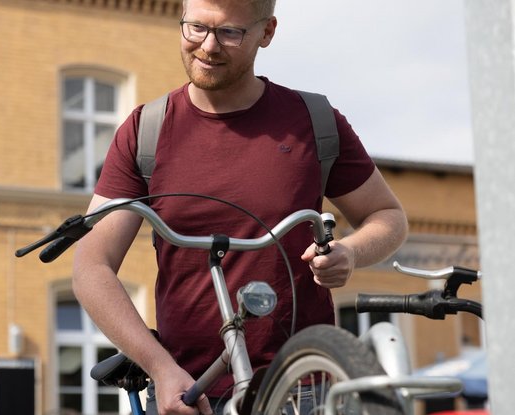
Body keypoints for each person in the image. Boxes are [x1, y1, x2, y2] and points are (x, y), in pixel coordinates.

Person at [72, 0, 408, 414]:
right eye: (195, 27)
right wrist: (160, 369)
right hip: (190, 392)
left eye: (230, 33)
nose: (208, 46)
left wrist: (351, 253)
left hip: (303, 392)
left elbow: (388, 217)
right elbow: (91, 266)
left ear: (267, 32)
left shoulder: (314, 122)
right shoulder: (146, 131)